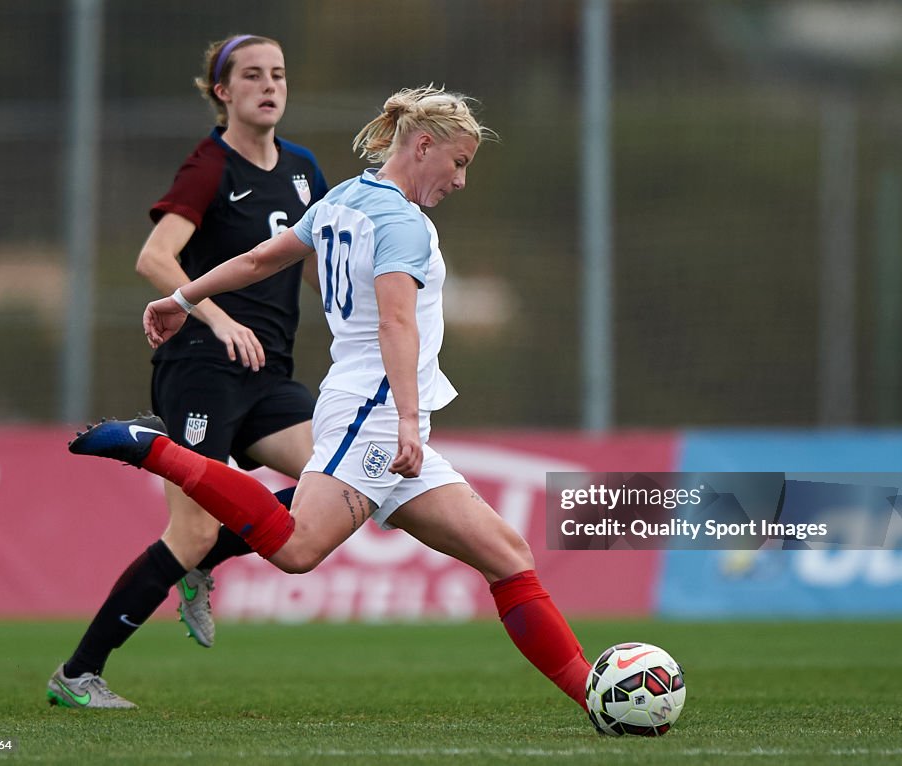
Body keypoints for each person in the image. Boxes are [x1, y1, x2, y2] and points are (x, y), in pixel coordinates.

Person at [68, 85, 593, 715]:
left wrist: (182, 300)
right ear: (423, 145)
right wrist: (405, 419)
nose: (460, 180)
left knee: (507, 555)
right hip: (373, 414)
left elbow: (260, 259)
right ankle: (154, 448)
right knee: (295, 549)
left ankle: (593, 695)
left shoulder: (344, 198)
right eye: (458, 163)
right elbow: (396, 324)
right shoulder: (402, 222)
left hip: (375, 410)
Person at [47, 34, 328, 709]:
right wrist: (214, 316)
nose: (269, 85)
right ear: (222, 93)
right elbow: (154, 257)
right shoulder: (210, 167)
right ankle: (78, 674)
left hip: (269, 376)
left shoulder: (302, 167)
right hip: (201, 367)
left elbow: (326, 251)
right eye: (252, 75)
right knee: (192, 528)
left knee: (343, 484)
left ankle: (206, 559)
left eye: (279, 74)